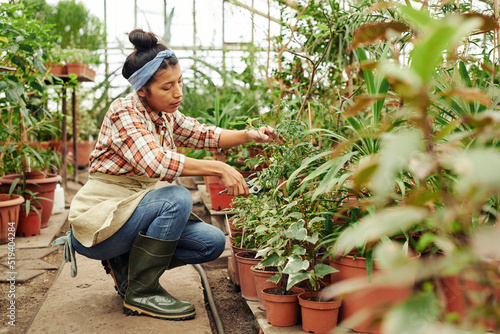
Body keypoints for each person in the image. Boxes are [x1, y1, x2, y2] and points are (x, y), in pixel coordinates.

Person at [66, 29, 277, 321]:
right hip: (102, 222)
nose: (177, 92)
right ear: (142, 90)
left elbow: (205, 134)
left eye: (179, 82)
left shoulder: (164, 114)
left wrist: (250, 135)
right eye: (166, 87)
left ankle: (127, 269)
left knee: (211, 242)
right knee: (175, 197)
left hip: (132, 211)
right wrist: (219, 168)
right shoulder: (124, 112)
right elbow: (156, 163)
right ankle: (141, 293)